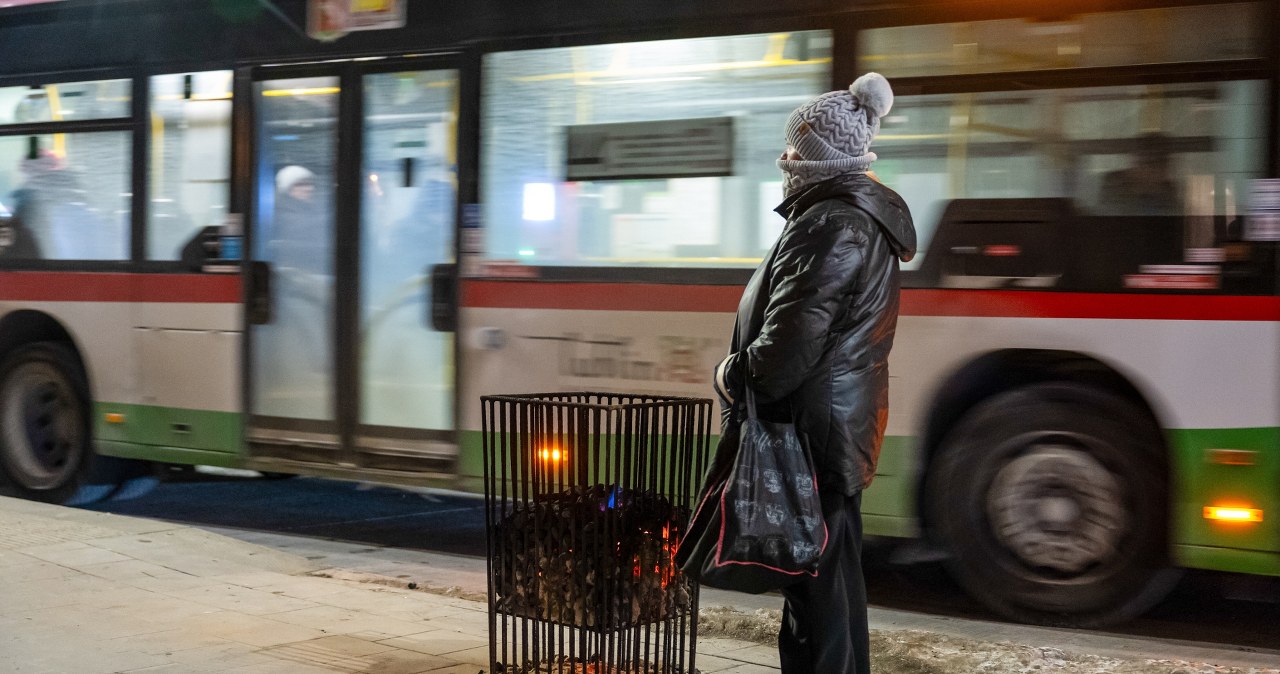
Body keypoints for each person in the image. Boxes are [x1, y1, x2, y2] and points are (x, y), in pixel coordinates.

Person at [712, 72, 916, 674]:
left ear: (822, 158)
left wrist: (734, 374)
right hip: (831, 426)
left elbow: (789, 345)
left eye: (797, 148)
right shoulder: (847, 215)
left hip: (811, 433)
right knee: (829, 580)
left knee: (816, 583)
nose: (786, 158)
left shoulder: (832, 223)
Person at [1099, 132, 1181, 216]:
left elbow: (1174, 218)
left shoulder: (1167, 189)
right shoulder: (1115, 183)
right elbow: (1110, 218)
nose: (1166, 174)